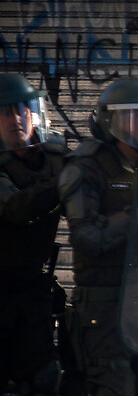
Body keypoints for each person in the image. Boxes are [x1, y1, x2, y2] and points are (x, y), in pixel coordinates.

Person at [58, 77, 138, 396]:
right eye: (134, 118)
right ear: (109, 121)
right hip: (105, 307)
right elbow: (87, 238)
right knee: (115, 387)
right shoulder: (85, 168)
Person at [0, 73, 68, 394]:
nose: (16, 119)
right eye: (5, 112)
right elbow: (15, 207)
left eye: (22, 109)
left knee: (44, 377)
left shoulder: (54, 160)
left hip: (30, 291)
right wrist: (62, 185)